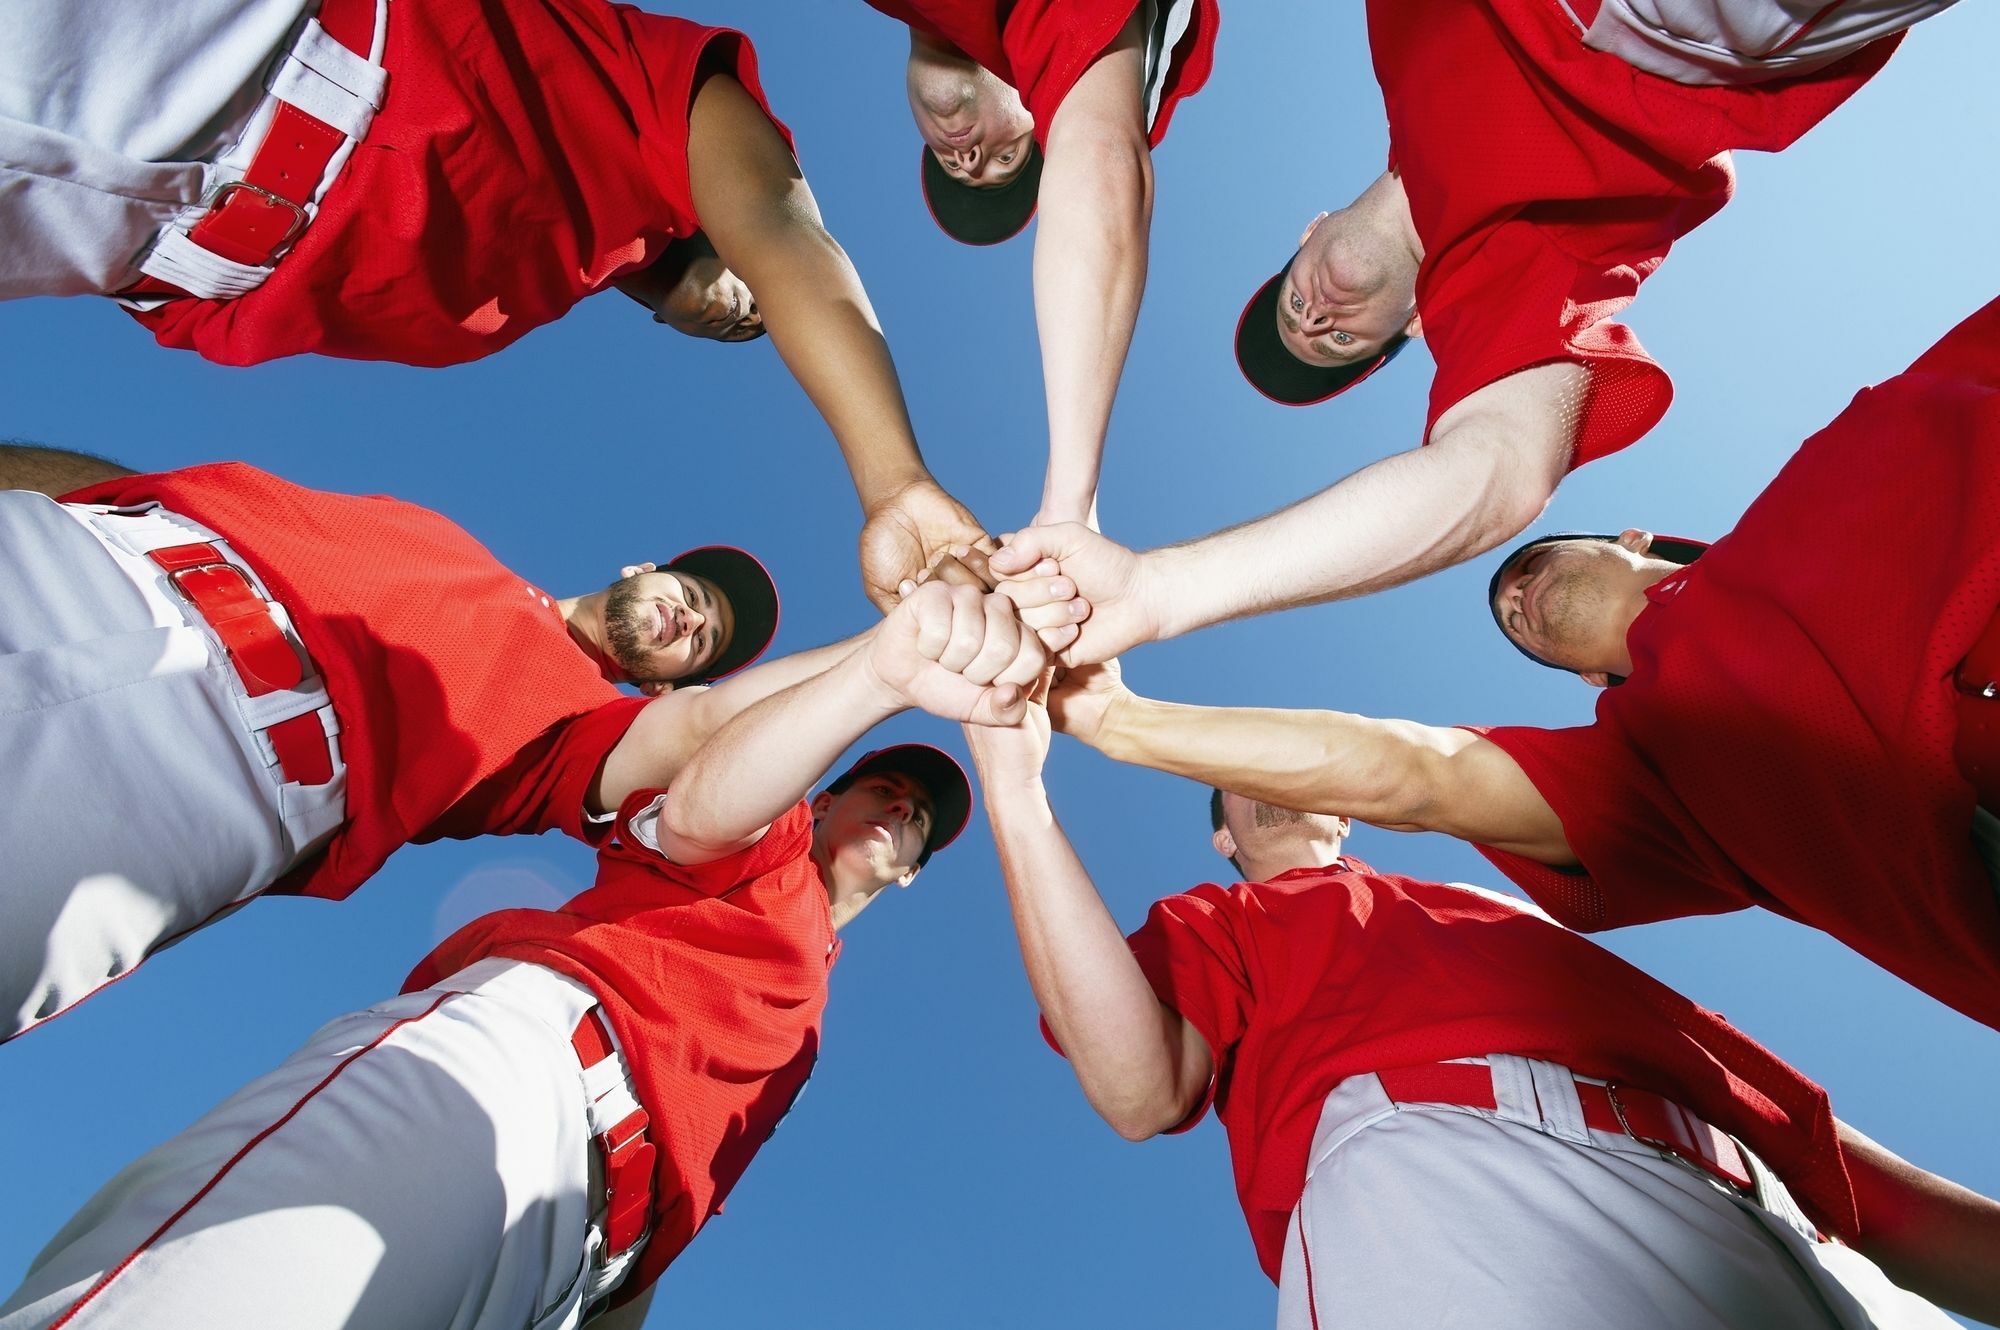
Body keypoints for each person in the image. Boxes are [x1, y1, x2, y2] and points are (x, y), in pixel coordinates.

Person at [0, 578, 1044, 1329]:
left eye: (917, 819)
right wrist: (878, 679)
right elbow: (705, 796)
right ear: (826, 798)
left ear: (908, 872)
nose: (900, 807)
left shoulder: (804, 1030)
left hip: (576, 1260)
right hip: (513, 1084)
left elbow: (688, 1195)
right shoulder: (769, 841)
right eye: (883, 786)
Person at [1026, 294, 2000, 1029]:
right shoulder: (1649, 774)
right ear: (1585, 681)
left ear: (1633, 535)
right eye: (1514, 621)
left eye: (1529, 569)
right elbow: (1423, 777)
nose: (1517, 597)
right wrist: (1115, 719)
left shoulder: (1842, 447)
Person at [965, 698, 2000, 1327]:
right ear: (1223, 841)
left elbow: (1837, 1166)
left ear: (1338, 799)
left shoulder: (1495, 903)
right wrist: (1016, 791)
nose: (1255, 784)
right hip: (1453, 1183)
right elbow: (1140, 1087)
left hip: (1767, 1211)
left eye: (1272, 764)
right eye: (1228, 787)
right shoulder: (1221, 917)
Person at [988, 0, 1956, 662]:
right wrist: (1161, 592)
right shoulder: (1518, 274)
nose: (1315, 313)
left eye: (1293, 303)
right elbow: (1491, 474)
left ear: (1309, 231)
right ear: (1412, 328)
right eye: (1332, 339)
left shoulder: (1397, 39)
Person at [0, 0, 986, 606]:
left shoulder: (494, 315)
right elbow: (787, 240)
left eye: (739, 327)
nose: (745, 310)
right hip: (206, 38)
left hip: (92, 231)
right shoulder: (645, 87)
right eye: (752, 304)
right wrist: (894, 481)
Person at [0, 444, 814, 1042]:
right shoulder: (435, 533)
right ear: (645, 568)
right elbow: (174, 494)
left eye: (705, 641)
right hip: (102, 561)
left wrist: (895, 656)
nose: (697, 619)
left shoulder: (579, 732)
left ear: (665, 685)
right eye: (698, 594)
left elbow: (710, 732)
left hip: (194, 783)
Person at [863, 0, 1218, 525]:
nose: (968, 159)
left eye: (954, 166)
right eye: (1007, 157)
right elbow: (1098, 150)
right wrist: (1069, 505)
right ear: (1041, 107)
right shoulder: (1058, 22)